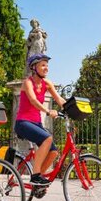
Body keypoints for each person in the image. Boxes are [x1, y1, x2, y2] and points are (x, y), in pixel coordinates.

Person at [15, 53, 66, 186]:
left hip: (36, 123)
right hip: (23, 122)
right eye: (43, 65)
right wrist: (48, 111)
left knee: (53, 152)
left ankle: (37, 180)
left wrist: (75, 108)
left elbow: (59, 100)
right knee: (47, 138)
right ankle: (36, 175)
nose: (46, 68)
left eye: (47, 65)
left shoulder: (47, 83)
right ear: (34, 67)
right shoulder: (28, 83)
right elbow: (33, 100)